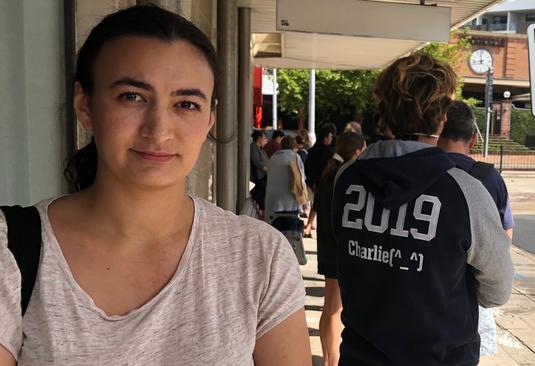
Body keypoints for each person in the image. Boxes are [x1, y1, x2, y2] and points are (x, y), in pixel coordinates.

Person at [0, 6, 311, 366]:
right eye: (132, 96)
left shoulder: (259, 258)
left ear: (210, 117)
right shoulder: (11, 252)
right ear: (85, 104)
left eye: (186, 104)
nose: (159, 130)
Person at [330, 53, 513, 366]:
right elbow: (497, 291)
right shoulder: (466, 192)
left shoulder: (346, 179)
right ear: (443, 116)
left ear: (383, 112)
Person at [438, 100, 515, 357]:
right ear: (472, 139)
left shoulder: (424, 172)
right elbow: (505, 236)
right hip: (469, 293)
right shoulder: (490, 178)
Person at [315, 132, 366, 366]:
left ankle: (329, 357)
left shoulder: (329, 172)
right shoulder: (345, 177)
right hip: (337, 247)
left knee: (330, 306)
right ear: (355, 152)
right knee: (336, 308)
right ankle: (332, 360)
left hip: (326, 244)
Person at [303, 123, 337, 237]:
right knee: (322, 206)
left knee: (316, 205)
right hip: (324, 183)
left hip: (313, 181)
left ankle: (308, 227)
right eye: (331, 137)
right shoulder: (329, 152)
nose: (332, 139)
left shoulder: (312, 150)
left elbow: (307, 167)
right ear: (326, 137)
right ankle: (311, 228)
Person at [265, 136, 306, 223]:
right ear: (293, 146)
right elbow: (301, 179)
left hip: (273, 202)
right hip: (290, 203)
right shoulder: (295, 157)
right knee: (290, 233)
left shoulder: (273, 158)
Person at [250, 129, 269, 212]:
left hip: (263, 176)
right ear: (259, 138)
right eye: (264, 138)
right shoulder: (253, 147)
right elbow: (257, 162)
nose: (266, 140)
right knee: (262, 190)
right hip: (257, 177)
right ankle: (261, 209)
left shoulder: (261, 149)